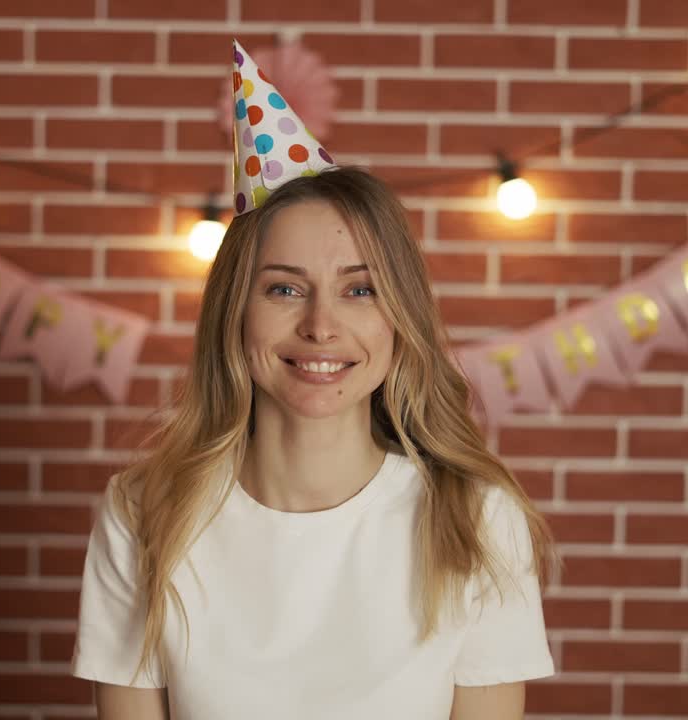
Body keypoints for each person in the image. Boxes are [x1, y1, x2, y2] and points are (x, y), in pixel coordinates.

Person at [71, 39, 557, 720]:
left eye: (359, 291)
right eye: (284, 290)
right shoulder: (144, 515)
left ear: (400, 317)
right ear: (235, 313)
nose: (322, 327)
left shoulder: (475, 520)